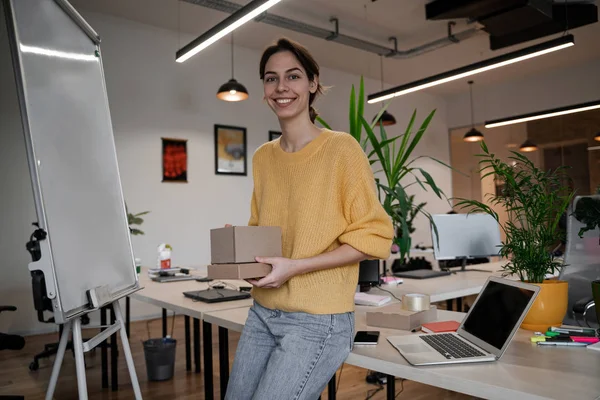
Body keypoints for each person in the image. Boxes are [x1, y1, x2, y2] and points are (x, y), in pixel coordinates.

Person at [224, 38, 394, 400]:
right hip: (263, 312)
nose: (281, 87)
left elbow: (375, 237)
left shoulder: (341, 149)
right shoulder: (263, 157)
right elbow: (263, 230)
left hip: (319, 321)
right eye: (271, 79)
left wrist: (296, 267)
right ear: (264, 90)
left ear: (313, 83)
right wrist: (240, 247)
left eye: (293, 76)